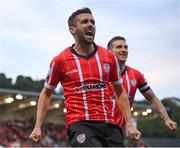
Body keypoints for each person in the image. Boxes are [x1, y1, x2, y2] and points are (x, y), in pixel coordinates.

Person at [29, 8, 141, 147]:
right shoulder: (60, 60)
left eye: (92, 22)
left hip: (109, 124)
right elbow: (46, 93)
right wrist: (38, 126)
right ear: (72, 30)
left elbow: (120, 91)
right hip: (80, 124)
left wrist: (129, 124)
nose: (90, 25)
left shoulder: (108, 57)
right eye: (84, 22)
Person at [107, 36, 177, 131]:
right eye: (119, 47)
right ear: (109, 52)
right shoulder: (100, 72)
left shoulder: (136, 75)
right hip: (96, 127)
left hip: (117, 130)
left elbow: (152, 98)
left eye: (126, 47)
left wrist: (167, 119)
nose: (124, 50)